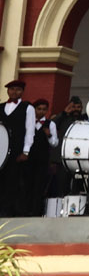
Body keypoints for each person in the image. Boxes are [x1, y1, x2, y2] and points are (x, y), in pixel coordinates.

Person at [0, 80, 37, 217]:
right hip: (1, 149)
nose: (14, 92)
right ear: (7, 91)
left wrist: (26, 151)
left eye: (18, 89)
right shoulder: (1, 107)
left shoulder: (28, 108)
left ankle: (9, 210)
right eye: (12, 89)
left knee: (13, 180)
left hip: (17, 149)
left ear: (22, 91)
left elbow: (30, 130)